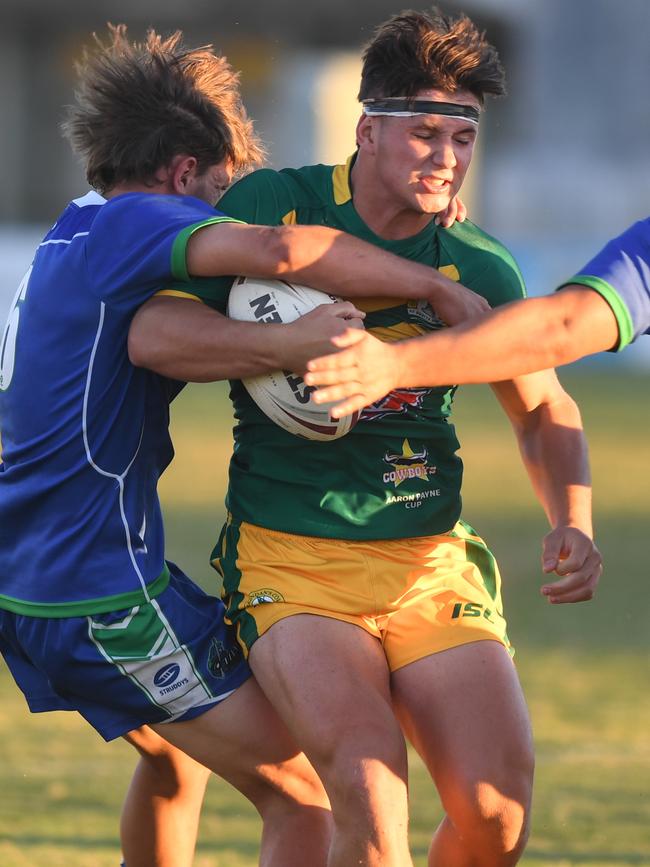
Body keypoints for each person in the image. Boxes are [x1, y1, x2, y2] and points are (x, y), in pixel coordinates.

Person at [0, 24, 493, 867]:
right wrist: (428, 287)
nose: (221, 215)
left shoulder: (72, 233)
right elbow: (277, 248)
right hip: (94, 584)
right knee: (301, 790)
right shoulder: (138, 225)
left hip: (34, 567)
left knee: (172, 758)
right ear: (183, 175)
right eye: (218, 192)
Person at [129, 8, 602, 866]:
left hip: (428, 561)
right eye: (424, 133)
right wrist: (288, 348)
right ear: (368, 131)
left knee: (496, 815)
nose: (447, 158)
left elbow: (544, 409)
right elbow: (156, 333)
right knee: (371, 800)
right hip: (293, 560)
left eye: (462, 139)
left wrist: (572, 513)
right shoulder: (276, 209)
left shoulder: (482, 266)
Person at [305, 220, 650, 395]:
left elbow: (558, 331)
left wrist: (395, 364)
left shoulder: (483, 264)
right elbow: (560, 327)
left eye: (462, 139)